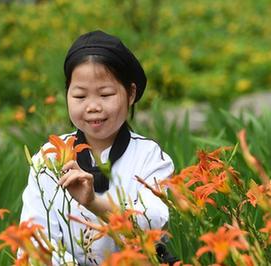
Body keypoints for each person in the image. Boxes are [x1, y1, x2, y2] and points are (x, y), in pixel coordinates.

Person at [20, 30, 175, 265]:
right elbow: (34, 242)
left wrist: (94, 203)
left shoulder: (150, 157)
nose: (92, 106)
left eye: (105, 94)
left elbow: (154, 221)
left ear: (131, 93)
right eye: (80, 96)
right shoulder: (47, 159)